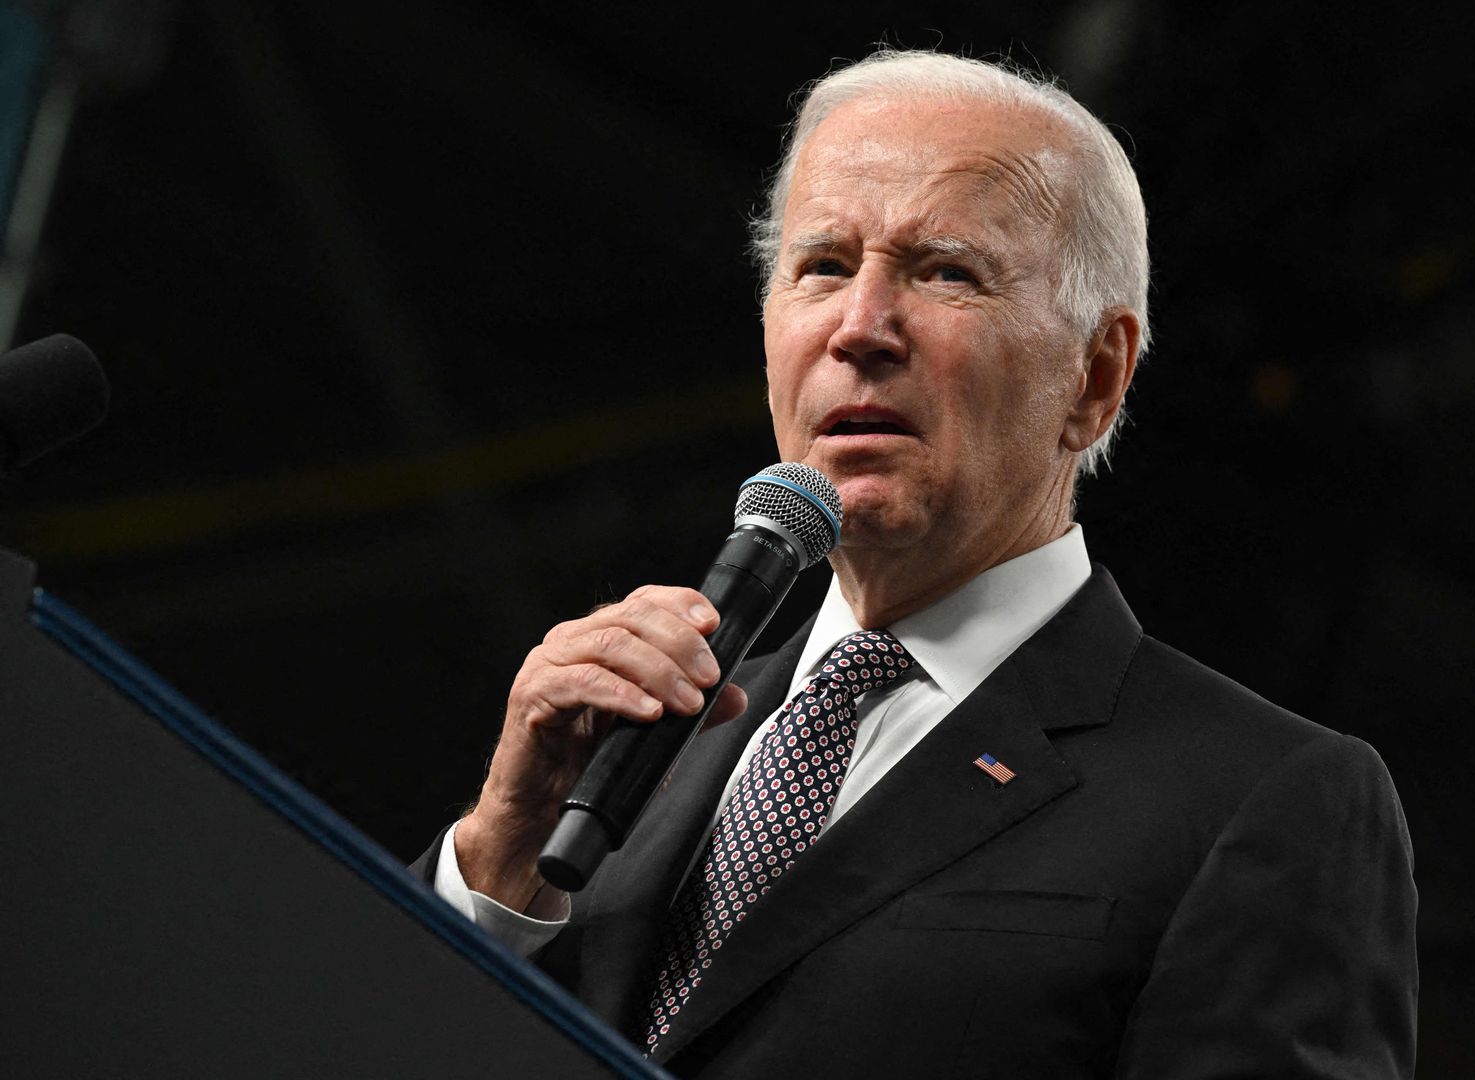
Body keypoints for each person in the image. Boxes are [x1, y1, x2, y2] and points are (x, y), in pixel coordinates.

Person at [419, 48, 1417, 1078]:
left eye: (946, 271)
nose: (860, 328)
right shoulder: (630, 763)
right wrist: (497, 858)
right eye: (823, 266)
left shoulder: (1262, 797)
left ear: (1095, 376)